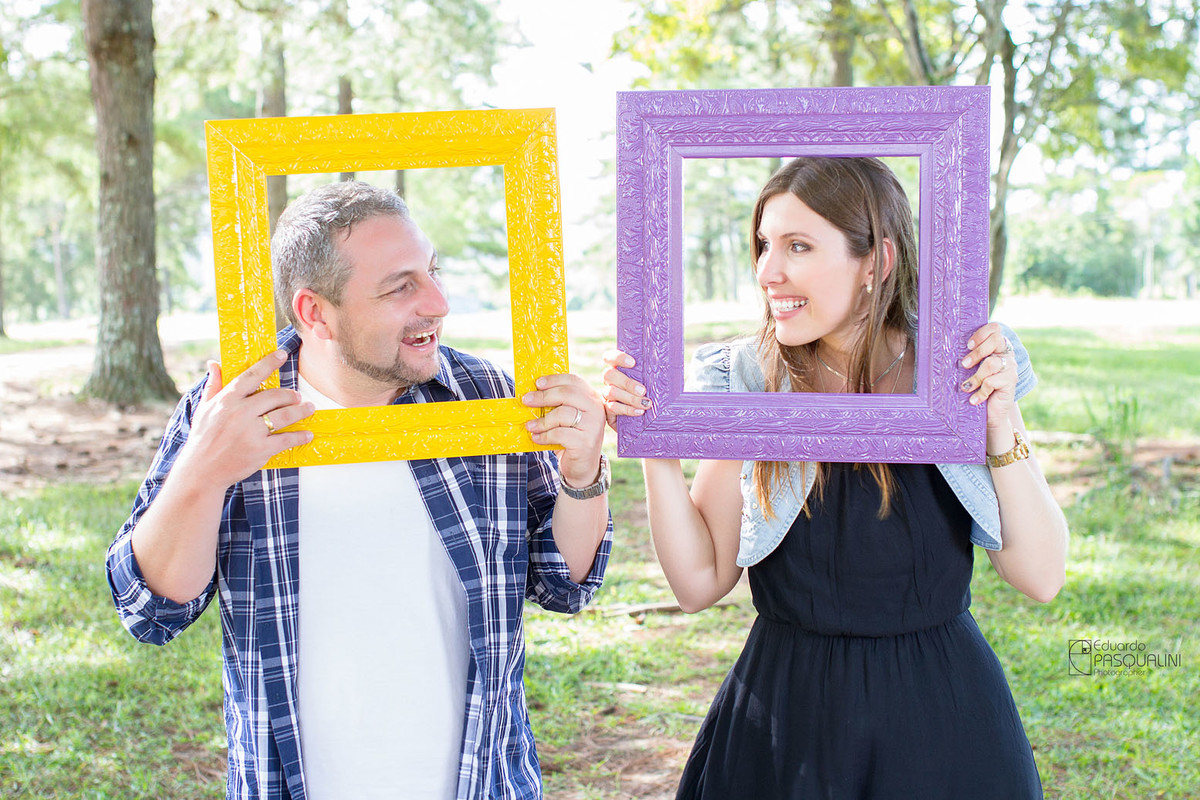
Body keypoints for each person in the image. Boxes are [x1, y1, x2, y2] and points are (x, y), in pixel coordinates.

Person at [106, 180, 613, 800]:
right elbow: (151, 608)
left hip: (481, 780)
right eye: (401, 287)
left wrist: (583, 470)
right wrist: (203, 471)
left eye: (432, 271)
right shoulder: (233, 413)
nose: (438, 302)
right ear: (315, 311)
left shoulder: (487, 400)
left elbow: (564, 583)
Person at [603, 156, 1067, 799]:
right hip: (786, 720)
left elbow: (1041, 577)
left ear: (876, 261)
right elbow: (698, 581)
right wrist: (654, 442)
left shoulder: (955, 374)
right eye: (764, 245)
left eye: (798, 246)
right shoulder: (753, 376)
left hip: (941, 720)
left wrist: (1000, 417)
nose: (768, 271)